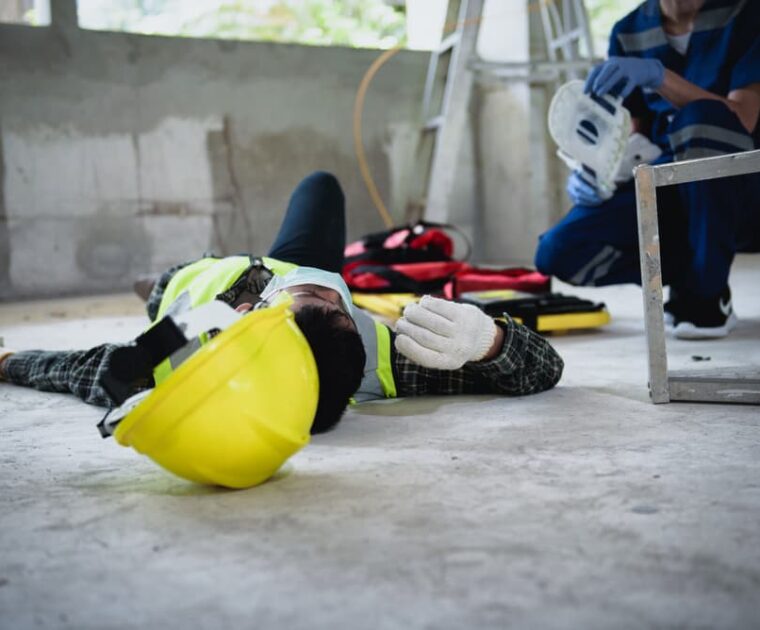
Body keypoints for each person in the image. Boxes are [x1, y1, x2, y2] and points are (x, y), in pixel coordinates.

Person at [0, 172, 564, 434]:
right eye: (332, 301)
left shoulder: (197, 342)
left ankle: (152, 282)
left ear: (252, 323)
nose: (310, 289)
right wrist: (490, 343)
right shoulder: (388, 358)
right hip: (268, 261)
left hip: (187, 283)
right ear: (356, 326)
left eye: (305, 298)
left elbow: (82, 368)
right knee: (320, 187)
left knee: (157, 284)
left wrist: (6, 362)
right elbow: (543, 369)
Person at [535, 0, 760, 339]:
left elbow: (742, 117)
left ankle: (704, 297)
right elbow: (633, 139)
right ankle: (693, 273)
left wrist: (659, 76)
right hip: (667, 187)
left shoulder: (747, 14)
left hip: (740, 194)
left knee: (699, 120)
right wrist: (597, 175)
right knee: (559, 251)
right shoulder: (628, 31)